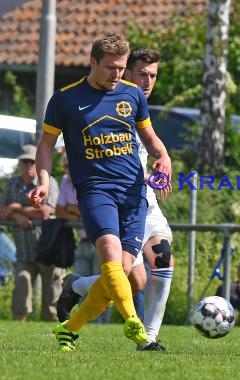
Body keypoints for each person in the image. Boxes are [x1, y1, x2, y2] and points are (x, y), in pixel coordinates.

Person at [28, 33, 172, 352]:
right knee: (108, 251)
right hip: (96, 191)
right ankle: (136, 325)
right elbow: (46, 146)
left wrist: (164, 156)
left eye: (121, 67)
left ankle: (70, 328)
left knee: (119, 272)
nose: (117, 74)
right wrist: (42, 181)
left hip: (134, 195)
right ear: (92, 63)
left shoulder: (133, 95)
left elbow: (149, 138)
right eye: (110, 67)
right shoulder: (65, 99)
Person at [0, 144, 62, 321]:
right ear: (19, 163)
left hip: (48, 249)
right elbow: (1, 211)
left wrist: (15, 208)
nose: (28, 165)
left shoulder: (49, 183)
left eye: (31, 161)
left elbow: (44, 212)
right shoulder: (12, 184)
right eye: (24, 161)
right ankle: (18, 331)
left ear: (38, 163)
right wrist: (17, 216)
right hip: (24, 251)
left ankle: (53, 332)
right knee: (21, 285)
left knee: (52, 300)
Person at [55, 153, 109, 323]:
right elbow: (59, 212)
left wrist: (73, 209)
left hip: (100, 242)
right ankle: (87, 322)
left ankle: (101, 325)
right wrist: (79, 213)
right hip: (83, 242)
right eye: (65, 167)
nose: (67, 170)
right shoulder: (65, 181)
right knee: (79, 286)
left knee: (104, 285)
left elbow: (95, 213)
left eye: (70, 166)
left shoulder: (91, 179)